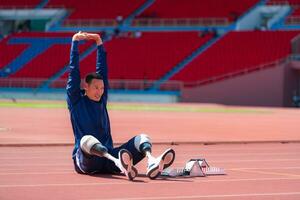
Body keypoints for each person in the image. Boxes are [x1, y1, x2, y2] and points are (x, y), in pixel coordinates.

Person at [67, 31, 175, 181]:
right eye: (96, 88)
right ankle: (122, 165)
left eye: (102, 88)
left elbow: (103, 71)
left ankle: (152, 161)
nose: (100, 92)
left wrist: (99, 43)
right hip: (87, 160)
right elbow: (73, 72)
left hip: (109, 158)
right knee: (87, 139)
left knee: (142, 138)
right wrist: (75, 43)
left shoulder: (101, 100)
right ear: (86, 87)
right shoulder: (76, 101)